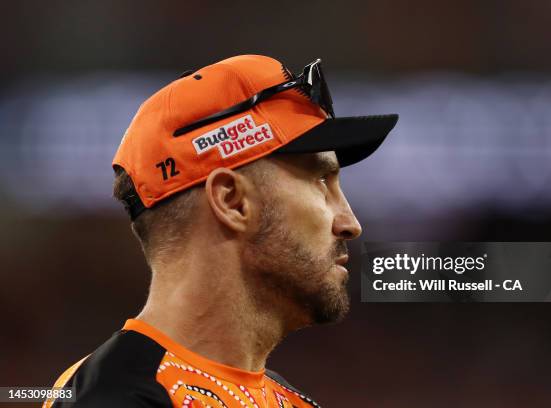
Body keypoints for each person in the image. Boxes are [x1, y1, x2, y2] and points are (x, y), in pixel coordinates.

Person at [44, 55, 398, 408]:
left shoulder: (289, 401)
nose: (350, 223)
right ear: (232, 201)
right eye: (321, 181)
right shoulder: (111, 398)